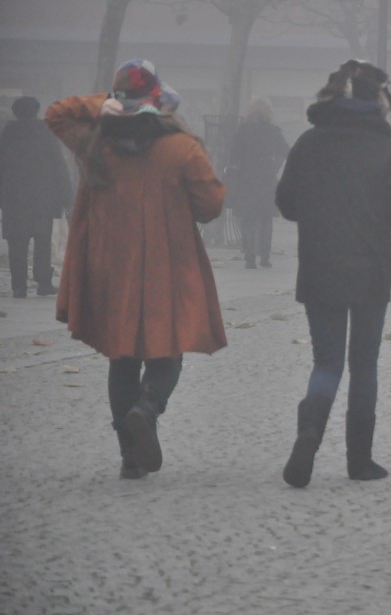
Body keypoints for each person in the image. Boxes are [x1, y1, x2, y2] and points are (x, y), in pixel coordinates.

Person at [45, 59, 227, 479]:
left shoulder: (95, 143)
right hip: (169, 262)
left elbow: (56, 113)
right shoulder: (182, 148)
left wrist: (101, 104)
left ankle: (129, 456)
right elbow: (211, 205)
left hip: (113, 266)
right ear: (157, 101)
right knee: (169, 348)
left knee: (121, 355)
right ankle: (148, 407)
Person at [277, 60, 391, 488]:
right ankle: (360, 460)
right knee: (364, 365)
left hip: (320, 267)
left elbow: (287, 204)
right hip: (371, 270)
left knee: (327, 362)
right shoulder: (387, 150)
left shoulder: (308, 144)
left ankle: (309, 432)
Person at [0, 96, 72, 298]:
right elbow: (59, 166)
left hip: (13, 200)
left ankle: (19, 286)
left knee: (16, 242)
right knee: (42, 241)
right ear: (36, 111)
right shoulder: (45, 133)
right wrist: (67, 197)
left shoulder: (6, 135)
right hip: (42, 198)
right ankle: (43, 282)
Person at [227, 97, 290, 269]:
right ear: (268, 113)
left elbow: (233, 156)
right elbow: (286, 151)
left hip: (246, 179)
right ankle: (264, 257)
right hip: (266, 179)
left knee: (248, 218)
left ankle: (249, 257)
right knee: (266, 218)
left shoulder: (243, 131)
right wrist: (275, 166)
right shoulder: (273, 131)